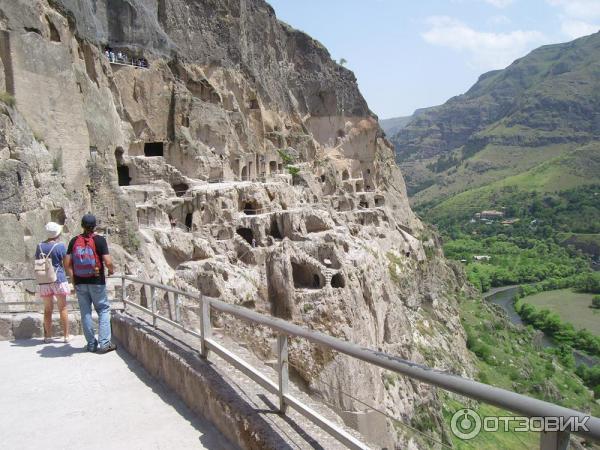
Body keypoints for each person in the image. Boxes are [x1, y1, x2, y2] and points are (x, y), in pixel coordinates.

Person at [64, 214, 116, 353]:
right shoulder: (100, 240)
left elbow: (67, 263)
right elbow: (108, 262)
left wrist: (74, 280)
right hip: (97, 280)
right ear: (95, 226)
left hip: (80, 281)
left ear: (82, 225)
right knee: (103, 310)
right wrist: (111, 270)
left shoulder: (74, 241)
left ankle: (91, 344)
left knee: (85, 312)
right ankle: (104, 343)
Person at [36, 222, 70, 343]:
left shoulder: (39, 246)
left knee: (47, 309)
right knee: (63, 308)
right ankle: (66, 336)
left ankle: (48, 336)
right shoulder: (60, 246)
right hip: (58, 279)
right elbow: (66, 263)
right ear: (57, 233)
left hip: (44, 280)